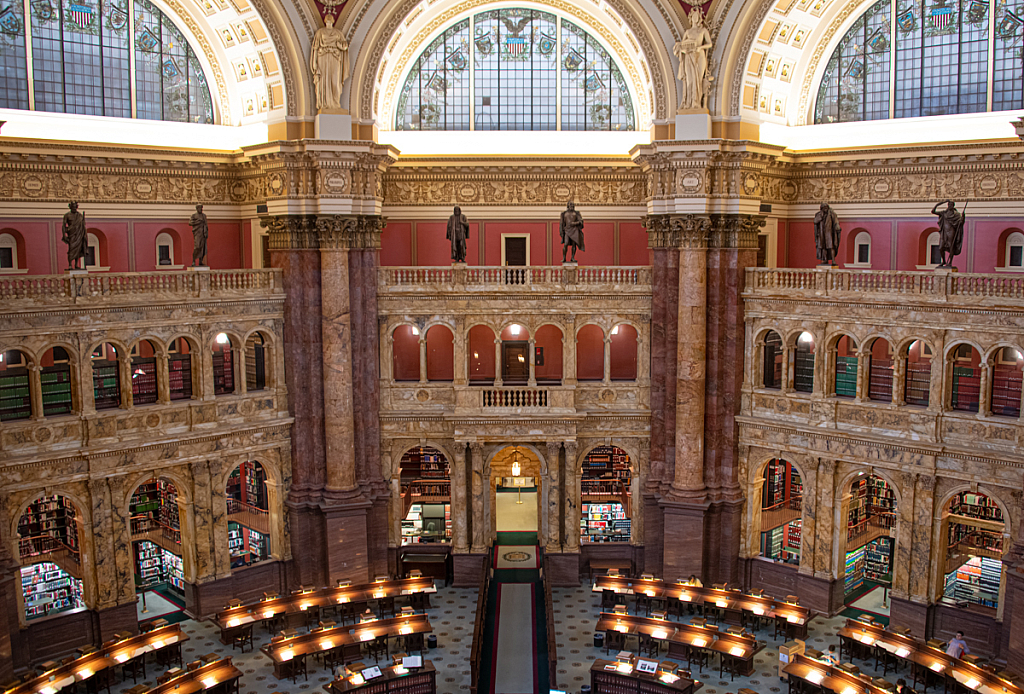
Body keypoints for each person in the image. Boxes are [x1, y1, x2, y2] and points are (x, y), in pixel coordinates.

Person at [673, 6, 713, 110]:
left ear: (699, 18)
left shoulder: (703, 30)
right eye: (693, 16)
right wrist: (683, 50)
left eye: (697, 16)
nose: (695, 18)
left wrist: (700, 47)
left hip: (699, 56)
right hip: (688, 57)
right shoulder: (688, 32)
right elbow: (681, 46)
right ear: (691, 18)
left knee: (698, 80)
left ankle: (696, 103)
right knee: (689, 80)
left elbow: (709, 44)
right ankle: (688, 103)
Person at [310, 14, 349, 111]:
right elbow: (315, 48)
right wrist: (314, 63)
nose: (328, 22)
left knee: (335, 81)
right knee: (324, 80)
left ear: (332, 21)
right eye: (327, 21)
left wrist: (339, 45)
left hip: (335, 57)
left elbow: (345, 46)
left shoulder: (338, 33)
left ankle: (335, 103)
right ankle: (324, 103)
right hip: (322, 57)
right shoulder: (320, 32)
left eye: (330, 21)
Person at [931, 200, 965, 267]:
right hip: (944, 231)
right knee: (941, 247)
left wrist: (963, 217)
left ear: (953, 206)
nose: (949, 206)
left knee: (951, 246)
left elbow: (960, 223)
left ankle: (950, 262)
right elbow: (933, 211)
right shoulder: (944, 213)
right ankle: (943, 261)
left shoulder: (956, 214)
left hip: (951, 231)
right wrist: (940, 203)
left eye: (951, 205)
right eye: (948, 204)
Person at [61, 201, 87, 270]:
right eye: (73, 207)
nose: (74, 208)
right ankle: (70, 265)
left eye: (75, 207)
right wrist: (64, 235)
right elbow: (63, 226)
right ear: (70, 207)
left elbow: (82, 226)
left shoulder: (79, 215)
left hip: (79, 234)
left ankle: (76, 265)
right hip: (72, 234)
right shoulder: (67, 215)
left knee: (78, 250)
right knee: (71, 249)